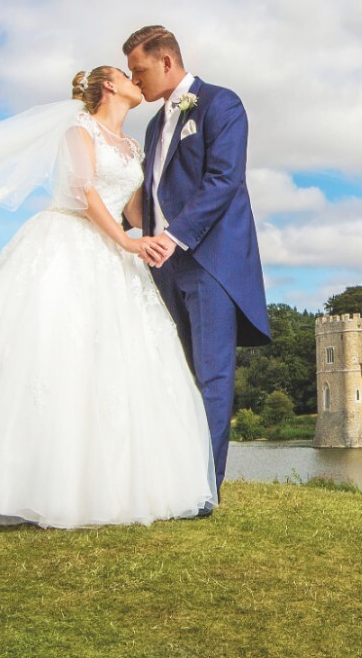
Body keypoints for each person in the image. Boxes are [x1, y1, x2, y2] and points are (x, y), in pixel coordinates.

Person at [0, 66, 217, 529]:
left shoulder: (132, 148)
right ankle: (16, 482)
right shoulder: (78, 130)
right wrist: (126, 242)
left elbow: (134, 210)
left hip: (113, 255)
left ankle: (107, 486)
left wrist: (169, 233)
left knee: (116, 361)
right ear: (108, 85)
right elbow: (83, 192)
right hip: (66, 242)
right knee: (51, 349)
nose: (135, 80)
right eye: (125, 75)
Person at [123, 26, 271, 497]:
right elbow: (150, 193)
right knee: (176, 372)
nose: (135, 80)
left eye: (139, 70)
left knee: (211, 375)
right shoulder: (153, 125)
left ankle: (205, 488)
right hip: (161, 265)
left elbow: (224, 180)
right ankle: (175, 477)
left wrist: (174, 237)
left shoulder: (221, 104)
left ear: (166, 62)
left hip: (208, 260)